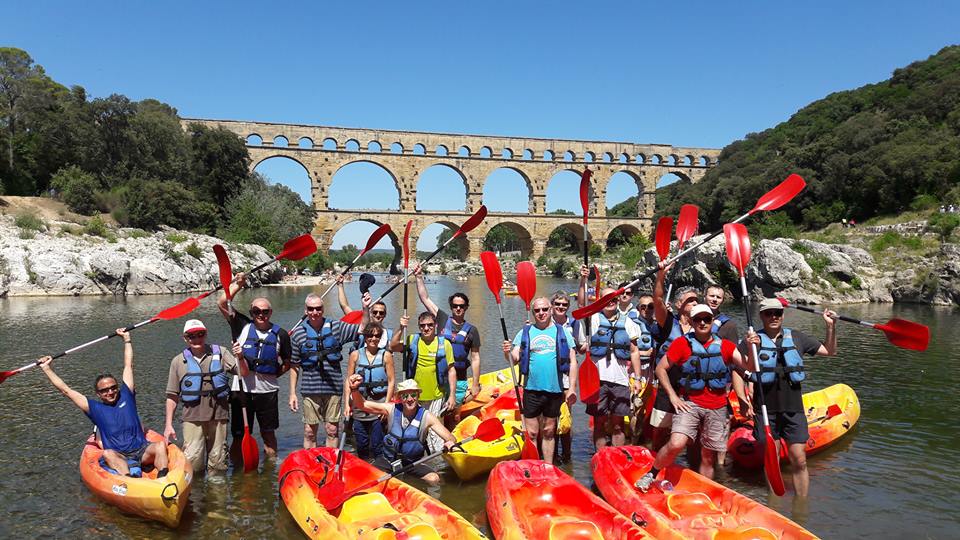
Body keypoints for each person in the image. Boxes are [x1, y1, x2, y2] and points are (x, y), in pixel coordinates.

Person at [635, 304, 751, 490]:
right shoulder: (681, 344)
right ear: (691, 321)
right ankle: (652, 473)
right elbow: (660, 369)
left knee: (707, 456)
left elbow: (749, 366)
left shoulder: (726, 346)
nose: (703, 323)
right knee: (676, 442)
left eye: (707, 319)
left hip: (717, 406)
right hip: (690, 403)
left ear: (713, 322)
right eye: (698, 319)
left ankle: (704, 491)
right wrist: (673, 397)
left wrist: (753, 348)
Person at [739, 298, 837, 497]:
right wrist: (751, 348)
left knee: (799, 459)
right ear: (761, 316)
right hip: (766, 409)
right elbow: (744, 369)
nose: (774, 317)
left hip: (793, 407)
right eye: (769, 313)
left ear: (783, 315)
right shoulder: (751, 339)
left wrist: (830, 327)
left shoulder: (797, 337)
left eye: (778, 313)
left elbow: (830, 351)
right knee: (772, 459)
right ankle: (774, 502)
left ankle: (801, 507)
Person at [38, 329, 168, 477]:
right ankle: (129, 479)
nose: (110, 392)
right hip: (119, 456)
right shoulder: (94, 408)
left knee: (159, 446)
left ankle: (164, 476)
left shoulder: (127, 396)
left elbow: (128, 365)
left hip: (142, 451)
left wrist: (127, 339)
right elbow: (66, 390)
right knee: (107, 453)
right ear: (98, 394)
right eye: (105, 390)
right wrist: (47, 368)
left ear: (118, 388)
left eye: (113, 388)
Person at [218, 273, 292, 459]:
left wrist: (272, 375)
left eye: (265, 312)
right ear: (251, 313)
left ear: (270, 313)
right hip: (241, 391)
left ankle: (270, 470)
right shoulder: (241, 325)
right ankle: (238, 470)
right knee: (239, 435)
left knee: (268, 433)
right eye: (257, 312)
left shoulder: (281, 334)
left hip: (267, 392)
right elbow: (221, 303)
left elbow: (288, 363)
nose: (261, 315)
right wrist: (238, 285)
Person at [288, 292, 370, 449]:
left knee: (332, 430)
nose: (314, 313)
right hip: (309, 390)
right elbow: (294, 365)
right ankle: (312, 465)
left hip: (333, 389)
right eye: (311, 309)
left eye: (318, 308)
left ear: (323, 309)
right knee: (309, 431)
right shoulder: (298, 334)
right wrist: (292, 393)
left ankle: (331, 465)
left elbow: (362, 328)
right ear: (305, 311)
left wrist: (365, 309)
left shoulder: (336, 327)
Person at [502, 296, 578, 465]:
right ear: (533, 312)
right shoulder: (525, 332)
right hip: (531, 389)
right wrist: (507, 351)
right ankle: (532, 466)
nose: (541, 313)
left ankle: (548, 467)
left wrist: (572, 388)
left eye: (545, 309)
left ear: (551, 310)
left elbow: (573, 361)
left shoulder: (562, 332)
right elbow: (514, 358)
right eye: (537, 310)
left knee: (549, 431)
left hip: (555, 389)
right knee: (532, 433)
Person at [164, 319, 244, 474]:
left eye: (200, 334)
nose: (196, 338)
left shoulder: (221, 352)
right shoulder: (177, 361)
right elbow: (172, 396)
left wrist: (240, 357)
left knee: (218, 461)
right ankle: (196, 494)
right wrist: (168, 425)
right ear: (185, 338)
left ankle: (217, 495)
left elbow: (244, 373)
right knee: (193, 463)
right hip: (192, 418)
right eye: (191, 336)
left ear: (206, 334)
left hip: (218, 416)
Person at [348, 377, 456, 485]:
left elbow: (451, 438)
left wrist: (449, 443)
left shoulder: (427, 417)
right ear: (400, 397)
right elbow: (362, 404)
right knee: (369, 478)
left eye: (413, 395)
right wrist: (354, 389)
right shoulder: (391, 409)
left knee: (433, 479)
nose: (409, 399)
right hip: (388, 460)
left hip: (413, 463)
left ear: (418, 396)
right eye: (405, 396)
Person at [414, 263, 481, 415]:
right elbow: (425, 298)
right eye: (455, 305)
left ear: (466, 307)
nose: (458, 308)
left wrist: (475, 383)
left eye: (461, 306)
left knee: (453, 414)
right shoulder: (442, 319)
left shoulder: (472, 330)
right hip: (438, 378)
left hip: (460, 379)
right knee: (436, 415)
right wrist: (419, 277)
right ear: (451, 307)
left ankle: (453, 433)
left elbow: (475, 358)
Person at [586, 288, 646, 449]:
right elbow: (581, 305)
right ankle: (600, 456)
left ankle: (616, 455)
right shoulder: (592, 320)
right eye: (606, 298)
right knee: (599, 422)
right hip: (596, 381)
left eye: (613, 298)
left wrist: (638, 379)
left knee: (618, 424)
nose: (610, 301)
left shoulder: (628, 323)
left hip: (620, 380)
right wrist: (584, 281)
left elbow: (634, 352)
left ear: (618, 300)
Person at [649, 262, 699, 451]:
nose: (695, 303)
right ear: (679, 304)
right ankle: (654, 464)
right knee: (661, 431)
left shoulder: (702, 326)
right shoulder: (668, 322)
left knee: (692, 435)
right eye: (690, 300)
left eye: (696, 300)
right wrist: (661, 274)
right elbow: (658, 298)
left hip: (692, 386)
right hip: (668, 384)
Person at [391, 311, 456, 453]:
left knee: (435, 434)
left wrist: (452, 396)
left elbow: (451, 370)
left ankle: (438, 462)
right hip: (413, 398)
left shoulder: (444, 344)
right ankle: (412, 458)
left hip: (436, 397)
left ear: (436, 326)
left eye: (430, 325)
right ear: (419, 327)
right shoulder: (412, 340)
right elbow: (393, 346)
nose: (426, 328)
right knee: (412, 430)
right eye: (422, 326)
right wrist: (401, 328)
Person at [343, 321, 395, 458]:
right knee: (361, 444)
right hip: (359, 405)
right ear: (365, 337)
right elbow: (348, 380)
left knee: (378, 444)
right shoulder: (355, 355)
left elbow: (391, 381)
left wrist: (387, 405)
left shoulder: (386, 356)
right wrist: (347, 405)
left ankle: (380, 468)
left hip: (378, 406)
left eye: (377, 336)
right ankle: (364, 467)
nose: (373, 339)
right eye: (370, 336)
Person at [550, 290, 582, 463]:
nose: (561, 307)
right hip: (549, 375)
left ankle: (567, 455)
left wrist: (587, 346)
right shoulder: (544, 322)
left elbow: (581, 347)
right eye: (557, 304)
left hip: (567, 375)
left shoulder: (575, 324)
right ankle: (552, 455)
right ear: (552, 306)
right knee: (550, 417)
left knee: (566, 416)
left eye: (564, 305)